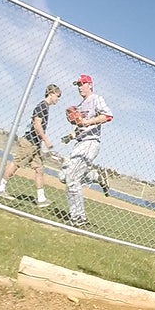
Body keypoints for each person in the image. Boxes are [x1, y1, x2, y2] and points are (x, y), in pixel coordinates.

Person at [59, 74, 112, 227]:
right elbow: (80, 127)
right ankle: (96, 176)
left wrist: (87, 122)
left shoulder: (96, 98)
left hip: (90, 142)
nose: (80, 87)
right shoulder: (80, 105)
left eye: (82, 83)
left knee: (72, 178)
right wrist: (70, 136)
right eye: (78, 84)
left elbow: (108, 116)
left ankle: (78, 218)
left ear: (90, 84)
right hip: (80, 142)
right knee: (63, 176)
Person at [0, 84, 61, 207]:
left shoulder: (46, 107)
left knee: (39, 169)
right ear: (51, 94)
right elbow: (37, 125)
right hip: (29, 142)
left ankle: (41, 199)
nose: (58, 99)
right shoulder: (42, 106)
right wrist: (46, 141)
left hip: (35, 144)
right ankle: (0, 188)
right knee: (16, 164)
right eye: (58, 96)